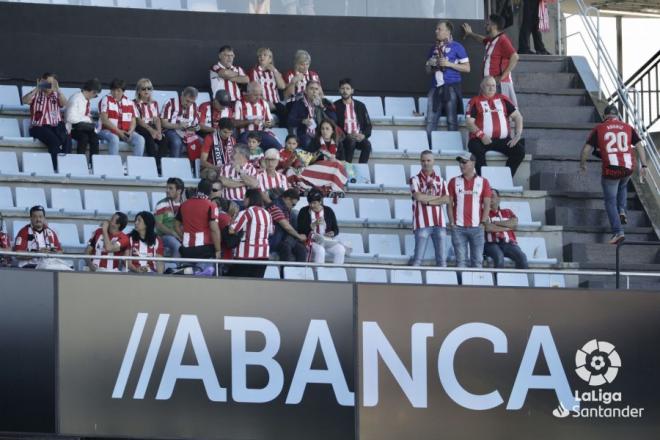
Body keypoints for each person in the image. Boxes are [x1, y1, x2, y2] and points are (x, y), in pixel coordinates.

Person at [579, 105, 649, 244]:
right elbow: (639, 145)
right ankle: (622, 210)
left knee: (610, 202)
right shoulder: (628, 127)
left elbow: (587, 149)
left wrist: (583, 164)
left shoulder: (599, 128)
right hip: (628, 167)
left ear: (605, 116)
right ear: (618, 116)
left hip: (611, 169)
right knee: (622, 186)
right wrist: (644, 165)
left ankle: (618, 232)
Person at [466, 76, 525, 177]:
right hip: (481, 140)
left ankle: (505, 178)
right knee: (475, 149)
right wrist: (481, 135)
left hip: (502, 140)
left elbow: (518, 117)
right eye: (488, 85)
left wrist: (518, 134)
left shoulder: (503, 99)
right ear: (482, 86)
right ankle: (485, 181)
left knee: (519, 151)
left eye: (493, 85)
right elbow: (469, 122)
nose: (491, 88)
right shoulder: (474, 101)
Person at [424, 21, 470, 137]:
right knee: (430, 121)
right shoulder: (433, 48)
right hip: (435, 88)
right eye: (436, 29)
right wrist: (430, 65)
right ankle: (429, 151)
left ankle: (452, 151)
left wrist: (449, 64)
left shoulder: (457, 46)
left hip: (451, 87)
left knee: (452, 121)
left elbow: (467, 68)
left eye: (439, 29)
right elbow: (428, 71)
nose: (436, 31)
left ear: (448, 31)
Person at [463, 14, 520, 106]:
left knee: (502, 112)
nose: (486, 25)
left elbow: (515, 57)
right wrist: (470, 34)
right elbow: (482, 39)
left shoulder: (503, 40)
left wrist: (501, 77)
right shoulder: (491, 40)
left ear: (494, 26)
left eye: (488, 24)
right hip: (488, 83)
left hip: (499, 84)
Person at [447, 152, 493, 268]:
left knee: (477, 261)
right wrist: (452, 222)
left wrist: (482, 223)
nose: (461, 165)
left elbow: (487, 204)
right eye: (460, 162)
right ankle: (462, 285)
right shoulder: (453, 181)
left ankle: (476, 286)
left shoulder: (484, 182)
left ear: (473, 163)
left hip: (477, 228)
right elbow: (449, 203)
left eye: (464, 162)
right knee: (461, 262)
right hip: (458, 228)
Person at [21, 72, 70, 171]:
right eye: (47, 83)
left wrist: (58, 90)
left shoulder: (57, 95)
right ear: (42, 82)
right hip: (39, 126)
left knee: (67, 140)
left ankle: (65, 166)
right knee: (55, 142)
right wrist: (37, 88)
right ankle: (56, 168)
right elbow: (24, 100)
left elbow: (65, 103)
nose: (49, 86)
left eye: (51, 83)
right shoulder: (36, 94)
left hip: (56, 126)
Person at [409, 150, 451, 267]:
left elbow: (447, 199)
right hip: (422, 223)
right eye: (423, 161)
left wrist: (427, 201)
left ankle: (444, 284)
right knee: (418, 260)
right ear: (420, 162)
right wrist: (438, 199)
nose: (426, 163)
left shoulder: (441, 180)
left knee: (442, 261)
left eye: (428, 160)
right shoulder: (414, 179)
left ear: (433, 161)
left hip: (439, 223)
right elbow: (418, 196)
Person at [175, 179, 222, 274]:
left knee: (188, 280)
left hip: (186, 249)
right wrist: (218, 250)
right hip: (204, 250)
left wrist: (184, 237)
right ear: (210, 191)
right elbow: (214, 230)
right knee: (205, 278)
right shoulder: (211, 205)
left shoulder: (184, 204)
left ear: (197, 189)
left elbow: (176, 225)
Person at [227, 188, 273, 278]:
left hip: (246, 255)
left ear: (249, 199)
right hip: (263, 254)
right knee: (255, 285)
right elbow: (271, 231)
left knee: (238, 284)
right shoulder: (267, 214)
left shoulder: (247, 212)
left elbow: (231, 230)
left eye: (244, 197)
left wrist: (231, 218)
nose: (243, 199)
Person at [98, 78, 145, 157]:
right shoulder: (105, 99)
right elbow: (104, 120)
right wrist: (119, 132)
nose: (115, 93)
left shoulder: (129, 102)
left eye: (118, 91)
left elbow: (133, 120)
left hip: (125, 132)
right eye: (113, 90)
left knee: (140, 139)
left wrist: (130, 132)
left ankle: (135, 166)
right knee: (114, 138)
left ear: (123, 91)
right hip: (106, 130)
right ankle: (114, 166)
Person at [297, 188, 345, 264]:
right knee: (320, 250)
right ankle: (319, 273)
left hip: (326, 240)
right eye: (310, 203)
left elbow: (336, 229)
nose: (312, 205)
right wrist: (313, 225)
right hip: (311, 241)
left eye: (314, 203)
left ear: (320, 201)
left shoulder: (328, 211)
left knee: (341, 250)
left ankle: (336, 272)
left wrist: (332, 233)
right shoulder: (303, 211)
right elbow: (300, 230)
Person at [484, 189, 528, 268]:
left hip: (509, 244)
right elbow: (488, 227)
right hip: (491, 244)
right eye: (488, 197)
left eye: (492, 196)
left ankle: (521, 279)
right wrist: (507, 228)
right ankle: (499, 280)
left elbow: (514, 223)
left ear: (499, 199)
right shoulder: (484, 213)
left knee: (522, 257)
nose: (490, 198)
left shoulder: (507, 212)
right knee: (499, 257)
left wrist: (496, 223)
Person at [288, 80, 337, 149]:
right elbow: (290, 120)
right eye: (311, 88)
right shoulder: (299, 103)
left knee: (334, 141)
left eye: (316, 89)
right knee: (308, 141)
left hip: (321, 132)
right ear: (306, 91)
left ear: (319, 91)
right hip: (305, 133)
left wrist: (322, 106)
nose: (314, 91)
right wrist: (302, 121)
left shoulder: (325, 102)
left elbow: (334, 119)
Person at [233, 81, 281, 150]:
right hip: (246, 133)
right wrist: (251, 121)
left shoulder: (264, 103)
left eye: (260, 95)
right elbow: (235, 123)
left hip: (261, 133)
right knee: (243, 148)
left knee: (277, 146)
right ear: (248, 93)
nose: (258, 97)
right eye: (255, 95)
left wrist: (267, 124)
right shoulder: (239, 103)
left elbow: (270, 122)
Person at [134, 78, 169, 173]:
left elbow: (157, 118)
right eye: (143, 88)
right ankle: (152, 165)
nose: (146, 91)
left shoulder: (154, 103)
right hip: (141, 127)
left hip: (152, 126)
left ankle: (158, 164)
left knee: (164, 139)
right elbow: (138, 120)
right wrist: (151, 130)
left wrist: (159, 132)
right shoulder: (134, 103)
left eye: (149, 88)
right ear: (138, 91)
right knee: (149, 137)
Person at [334, 78, 372, 163]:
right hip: (344, 139)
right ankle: (348, 168)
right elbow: (334, 125)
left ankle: (361, 169)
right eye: (342, 88)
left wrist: (363, 135)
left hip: (358, 137)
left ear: (352, 91)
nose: (345, 91)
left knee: (367, 145)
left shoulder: (360, 106)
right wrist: (346, 135)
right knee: (351, 142)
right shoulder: (335, 106)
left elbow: (368, 125)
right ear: (339, 90)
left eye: (347, 88)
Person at [65, 78, 102, 165]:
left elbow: (85, 115)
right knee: (83, 138)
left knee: (94, 138)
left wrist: (89, 119)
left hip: (83, 127)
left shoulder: (86, 100)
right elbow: (70, 117)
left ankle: (93, 164)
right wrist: (86, 119)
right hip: (73, 128)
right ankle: (80, 163)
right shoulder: (76, 98)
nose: (94, 97)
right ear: (92, 91)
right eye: (95, 95)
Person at [247, 47, 287, 126]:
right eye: (259, 56)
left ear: (270, 59)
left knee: (286, 114)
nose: (261, 57)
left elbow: (282, 86)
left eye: (264, 55)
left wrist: (275, 71)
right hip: (261, 101)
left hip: (275, 102)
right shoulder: (254, 71)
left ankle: (284, 133)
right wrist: (267, 102)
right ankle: (268, 125)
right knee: (269, 120)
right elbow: (254, 89)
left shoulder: (274, 71)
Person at [160, 86, 202, 159]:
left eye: (191, 102)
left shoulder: (194, 106)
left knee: (201, 142)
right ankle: (174, 167)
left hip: (186, 132)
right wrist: (178, 126)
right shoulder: (170, 103)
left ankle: (195, 168)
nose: (189, 104)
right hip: (170, 130)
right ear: (182, 95)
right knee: (177, 142)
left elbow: (196, 123)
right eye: (187, 101)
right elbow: (164, 123)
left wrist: (196, 127)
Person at [268, 188, 308, 262]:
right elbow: (286, 226)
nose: (293, 207)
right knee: (286, 248)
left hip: (283, 239)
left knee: (302, 249)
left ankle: (300, 272)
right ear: (287, 199)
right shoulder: (275, 207)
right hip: (273, 240)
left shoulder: (285, 208)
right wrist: (299, 236)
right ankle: (284, 273)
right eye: (293, 204)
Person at [154, 177, 184, 262]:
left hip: (182, 235)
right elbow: (158, 225)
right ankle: (175, 270)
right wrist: (173, 233)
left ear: (179, 191)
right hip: (165, 236)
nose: (167, 190)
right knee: (177, 246)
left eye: (170, 188)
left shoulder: (185, 204)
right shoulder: (161, 204)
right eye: (167, 188)